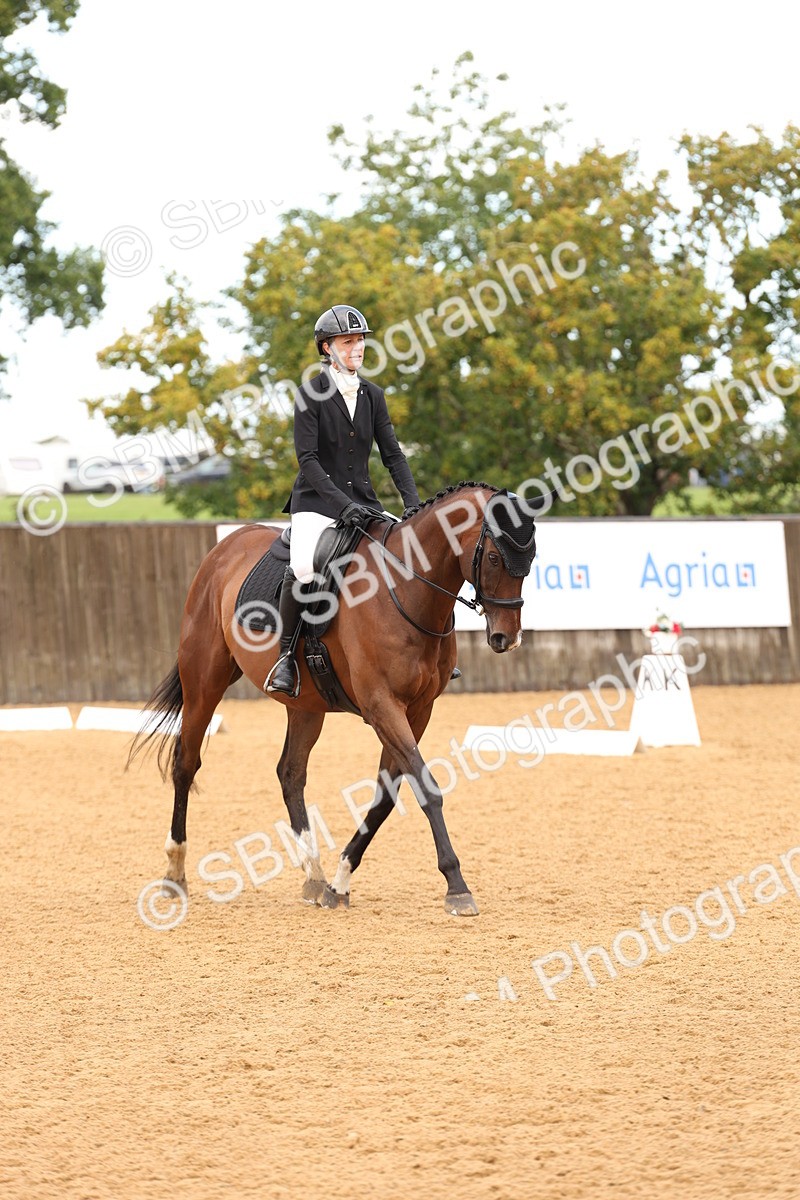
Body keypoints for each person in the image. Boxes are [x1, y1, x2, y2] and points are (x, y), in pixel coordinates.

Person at [265, 304, 422, 695]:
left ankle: (426, 651)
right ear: (327, 348)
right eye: (348, 341)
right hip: (316, 503)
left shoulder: (373, 395)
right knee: (303, 566)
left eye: (361, 340)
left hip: (364, 501)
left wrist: (413, 504)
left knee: (412, 553)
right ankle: (285, 658)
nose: (357, 347)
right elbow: (309, 461)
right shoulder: (309, 395)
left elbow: (393, 456)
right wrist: (341, 506)